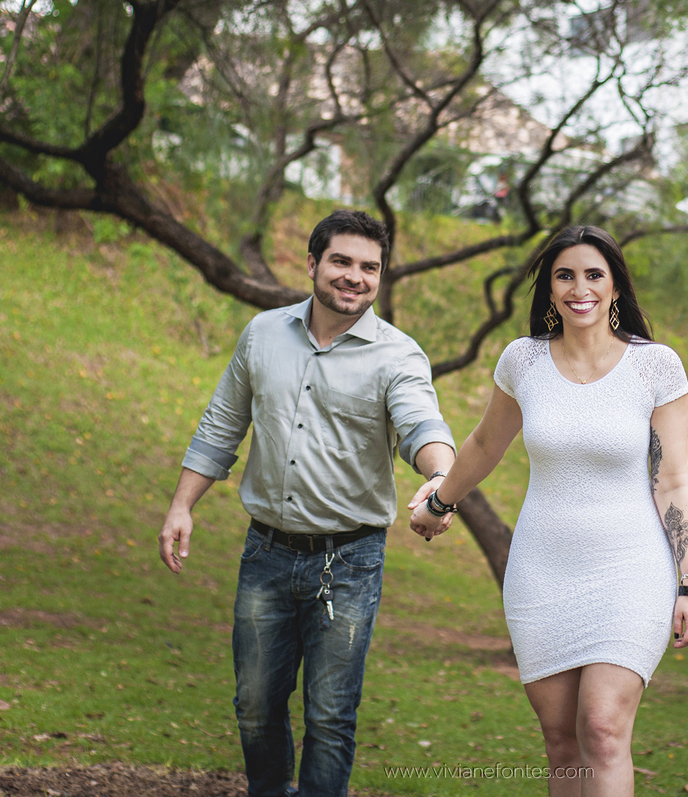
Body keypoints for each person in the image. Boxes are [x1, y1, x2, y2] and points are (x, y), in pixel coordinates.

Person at [158, 210, 456, 797]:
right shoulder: (263, 334)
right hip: (265, 553)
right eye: (341, 261)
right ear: (313, 263)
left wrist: (440, 478)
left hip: (350, 563)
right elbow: (222, 423)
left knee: (330, 715)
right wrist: (181, 506)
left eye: (369, 267)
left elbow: (422, 424)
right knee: (254, 706)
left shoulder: (398, 355)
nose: (355, 277)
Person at [409, 225, 688, 797]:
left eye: (594, 275)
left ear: (616, 286)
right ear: (549, 288)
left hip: (630, 571)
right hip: (542, 571)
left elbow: (672, 478)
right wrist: (441, 499)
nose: (580, 288)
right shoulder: (523, 361)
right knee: (561, 742)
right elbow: (484, 445)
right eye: (564, 275)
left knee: (602, 730)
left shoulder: (656, 367)